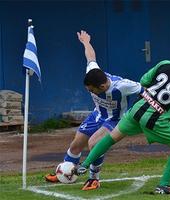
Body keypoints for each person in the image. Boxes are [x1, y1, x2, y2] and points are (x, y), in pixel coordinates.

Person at [74, 45, 170, 194]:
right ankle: (164, 185)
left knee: (112, 137)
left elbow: (144, 80)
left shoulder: (165, 63)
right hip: (156, 117)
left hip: (138, 107)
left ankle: (85, 164)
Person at [45, 30, 143, 190]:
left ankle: (94, 179)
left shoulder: (123, 85)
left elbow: (144, 91)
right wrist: (85, 42)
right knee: (76, 144)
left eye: (92, 90)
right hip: (97, 115)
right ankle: (64, 173)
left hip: (115, 120)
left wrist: (141, 112)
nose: (90, 92)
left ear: (103, 87)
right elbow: (91, 57)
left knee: (94, 143)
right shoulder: (93, 73)